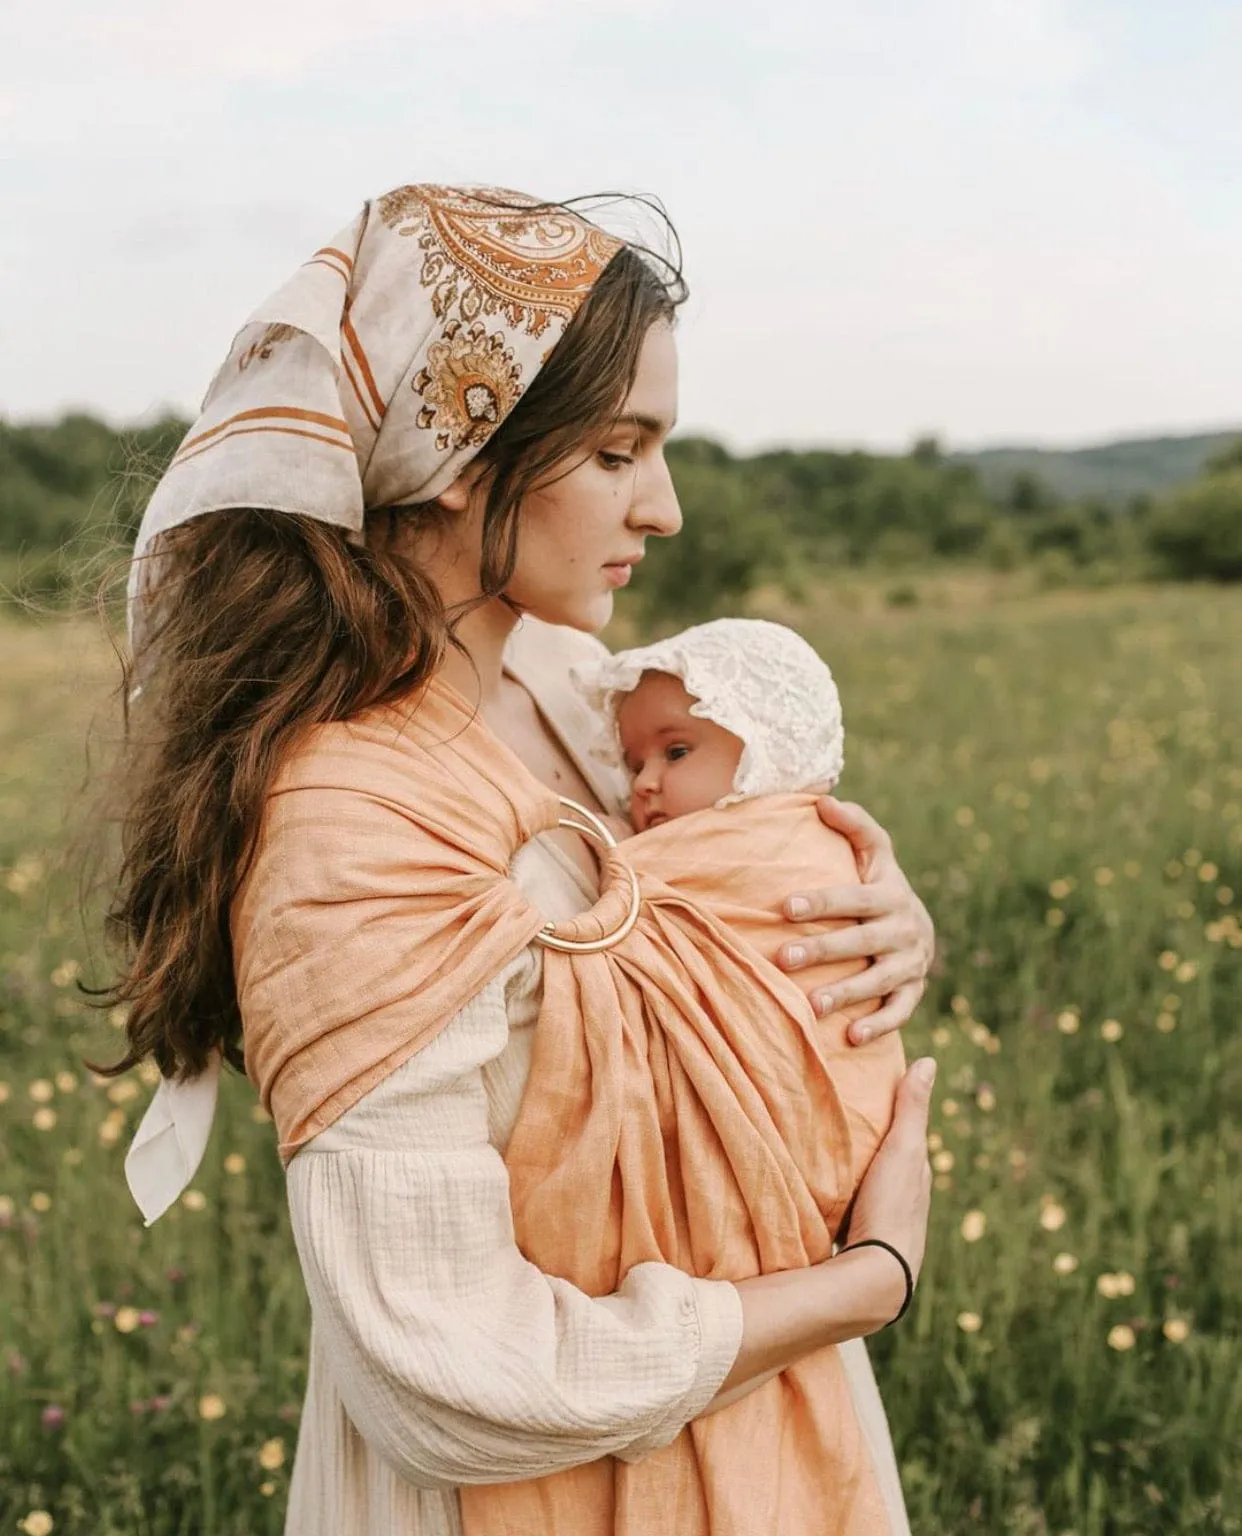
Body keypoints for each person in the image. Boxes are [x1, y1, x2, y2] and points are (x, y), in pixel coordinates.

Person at [109, 184, 936, 1536]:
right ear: (455, 451)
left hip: (757, 1433)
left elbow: (696, 926)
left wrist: (869, 904)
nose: (662, 510)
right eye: (618, 452)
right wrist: (870, 1280)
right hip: (546, 1486)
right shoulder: (353, 819)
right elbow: (448, 1377)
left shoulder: (569, 693)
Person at [575, 615, 907, 1185]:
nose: (643, 784)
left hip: (833, 1091)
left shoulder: (785, 838)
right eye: (634, 764)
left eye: (675, 752)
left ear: (764, 751)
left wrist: (613, 845)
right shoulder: (684, 839)